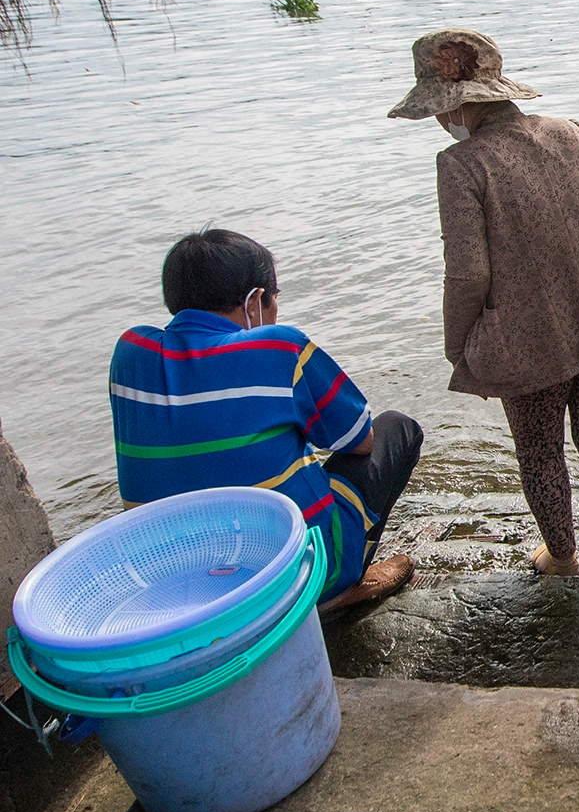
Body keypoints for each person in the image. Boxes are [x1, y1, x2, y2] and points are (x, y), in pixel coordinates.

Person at [390, 28, 579, 579]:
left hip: (524, 337)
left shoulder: (461, 164)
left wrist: (458, 343)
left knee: (539, 451)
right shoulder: (575, 134)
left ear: (454, 107)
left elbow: (468, 273)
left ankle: (561, 556)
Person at [110, 229, 422, 616]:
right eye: (274, 300)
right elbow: (360, 439)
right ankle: (340, 585)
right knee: (398, 429)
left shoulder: (130, 352)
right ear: (256, 301)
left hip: (172, 585)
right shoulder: (279, 347)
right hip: (290, 576)